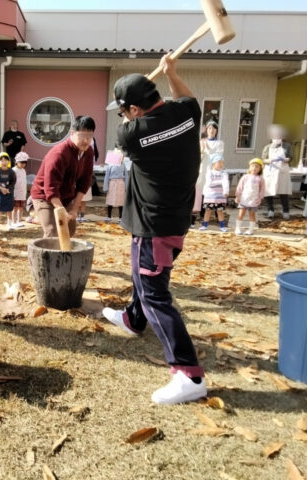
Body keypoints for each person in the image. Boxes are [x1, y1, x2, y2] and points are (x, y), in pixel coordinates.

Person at [102, 55, 206, 405]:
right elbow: (186, 97)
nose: (122, 117)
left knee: (154, 294)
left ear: (133, 110)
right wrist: (173, 73)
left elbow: (127, 129)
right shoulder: (187, 114)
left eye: (123, 111)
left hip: (155, 225)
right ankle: (134, 319)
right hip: (168, 217)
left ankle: (189, 374)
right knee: (141, 278)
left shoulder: (131, 134)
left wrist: (130, 114)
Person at [30, 116, 95, 238]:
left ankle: (63, 252)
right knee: (53, 232)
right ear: (72, 133)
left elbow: (84, 183)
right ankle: (46, 252)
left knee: (69, 230)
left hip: (66, 196)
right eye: (82, 136)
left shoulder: (89, 152)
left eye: (89, 136)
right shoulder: (59, 154)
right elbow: (50, 188)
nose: (86, 140)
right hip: (44, 196)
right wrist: (61, 210)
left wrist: (74, 209)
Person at [194, 120, 224, 227]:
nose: (212, 130)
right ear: (206, 130)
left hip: (213, 170)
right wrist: (202, 151)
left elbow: (218, 157)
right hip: (202, 169)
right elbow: (197, 157)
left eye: (214, 128)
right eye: (210, 128)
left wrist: (208, 150)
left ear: (217, 130)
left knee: (213, 190)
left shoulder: (219, 143)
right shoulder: (201, 142)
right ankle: (201, 214)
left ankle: (216, 215)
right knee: (201, 190)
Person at [262, 126, 293, 219]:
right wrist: (270, 160)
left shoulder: (287, 146)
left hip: (282, 171)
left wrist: (285, 159)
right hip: (270, 171)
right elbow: (263, 159)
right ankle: (270, 210)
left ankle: (286, 211)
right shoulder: (267, 147)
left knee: (283, 191)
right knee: (268, 191)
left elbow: (291, 158)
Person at [234, 158, 266, 235]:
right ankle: (238, 228)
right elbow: (240, 187)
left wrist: (260, 198)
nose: (254, 168)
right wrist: (237, 196)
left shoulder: (260, 178)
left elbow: (262, 189)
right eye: (253, 166)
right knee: (241, 214)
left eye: (257, 167)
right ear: (249, 167)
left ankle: (250, 230)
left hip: (254, 200)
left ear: (260, 169)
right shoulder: (245, 177)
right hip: (244, 199)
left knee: (252, 215)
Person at [200, 153, 230, 232]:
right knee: (208, 211)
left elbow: (226, 182)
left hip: (220, 196)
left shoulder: (224, 173)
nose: (221, 164)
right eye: (219, 162)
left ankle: (222, 226)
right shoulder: (209, 172)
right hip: (210, 196)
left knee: (220, 211)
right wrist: (220, 182)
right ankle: (204, 225)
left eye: (222, 162)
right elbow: (209, 183)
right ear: (213, 164)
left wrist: (226, 191)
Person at [0, 152, 17, 231]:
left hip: (9, 193)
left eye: (5, 160)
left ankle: (9, 224)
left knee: (9, 209)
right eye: (1, 160)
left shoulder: (11, 172)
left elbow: (13, 182)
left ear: (8, 161)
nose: (4, 162)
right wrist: (1, 188)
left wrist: (8, 189)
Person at [103, 158, 129, 223]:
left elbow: (126, 175)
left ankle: (120, 217)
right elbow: (107, 176)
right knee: (110, 200)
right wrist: (105, 187)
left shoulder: (123, 164)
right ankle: (109, 216)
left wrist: (127, 187)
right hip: (112, 183)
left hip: (121, 184)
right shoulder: (110, 165)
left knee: (121, 200)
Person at [12, 151, 29, 227]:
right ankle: (13, 221)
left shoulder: (23, 171)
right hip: (15, 192)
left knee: (21, 208)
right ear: (17, 162)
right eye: (21, 162)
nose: (23, 164)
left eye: (25, 163)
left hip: (22, 192)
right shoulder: (13, 170)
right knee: (15, 208)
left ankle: (19, 221)